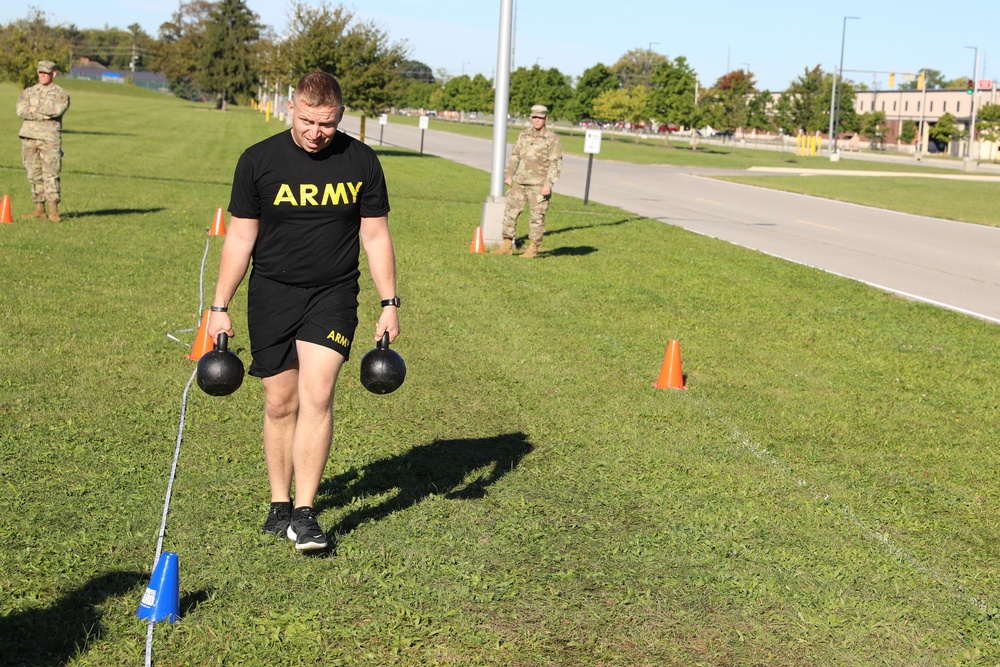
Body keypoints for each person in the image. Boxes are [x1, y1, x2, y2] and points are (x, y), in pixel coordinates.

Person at [208, 72, 400, 552]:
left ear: (341, 116)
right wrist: (219, 306)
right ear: (291, 107)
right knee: (280, 403)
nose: (316, 133)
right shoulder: (258, 161)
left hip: (332, 294)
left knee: (317, 395)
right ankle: (279, 502)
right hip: (272, 293)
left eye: (328, 124)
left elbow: (375, 236)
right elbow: (241, 236)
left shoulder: (361, 161)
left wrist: (389, 301)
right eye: (309, 121)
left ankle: (305, 512)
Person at [494, 104, 563, 258]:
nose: (537, 120)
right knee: (510, 213)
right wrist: (509, 174)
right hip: (519, 182)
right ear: (531, 118)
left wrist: (548, 184)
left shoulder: (552, 139)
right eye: (535, 117)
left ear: (546, 118)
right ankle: (506, 245)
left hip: (538, 185)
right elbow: (515, 155)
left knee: (537, 218)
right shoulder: (523, 135)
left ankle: (533, 248)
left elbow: (555, 163)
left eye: (540, 117)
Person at [16, 60, 70, 222]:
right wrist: (42, 115)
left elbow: (56, 110)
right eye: (40, 72)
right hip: (29, 137)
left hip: (49, 139)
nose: (42, 76)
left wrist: (34, 110)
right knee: (34, 174)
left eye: (46, 73)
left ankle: (54, 211)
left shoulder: (61, 93)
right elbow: (21, 111)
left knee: (51, 174)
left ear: (53, 74)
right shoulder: (29, 91)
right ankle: (39, 208)